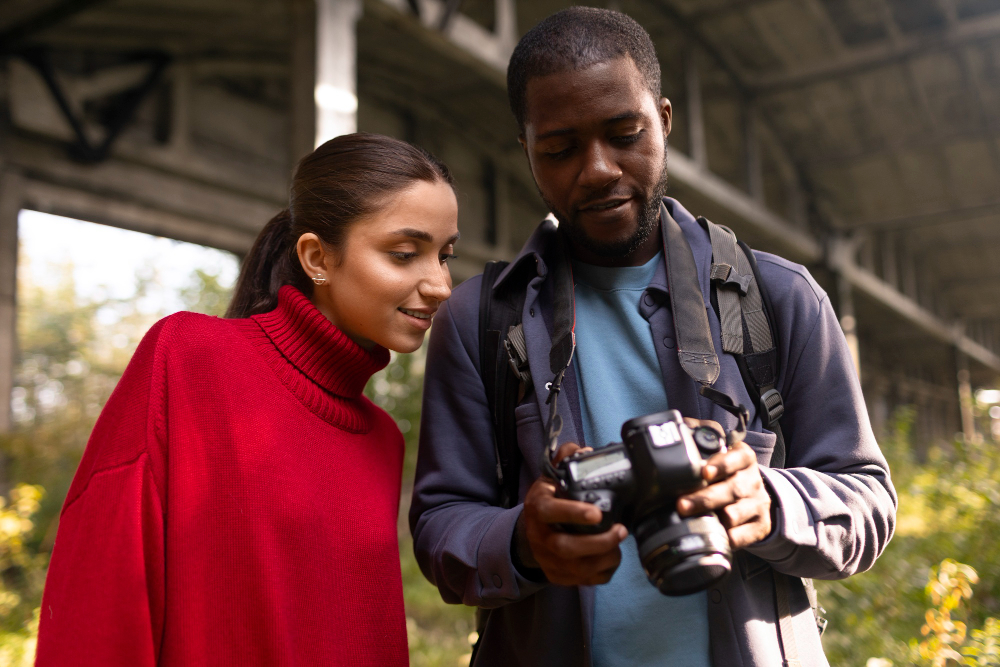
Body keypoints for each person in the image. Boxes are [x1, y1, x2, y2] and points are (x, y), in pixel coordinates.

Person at [409, 8, 896, 667]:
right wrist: (523, 539)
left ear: (664, 120)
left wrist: (769, 499)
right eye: (560, 148)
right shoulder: (478, 321)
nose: (599, 168)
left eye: (625, 133)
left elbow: (866, 498)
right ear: (526, 150)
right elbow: (440, 525)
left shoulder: (778, 297)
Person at [35, 132, 459, 666]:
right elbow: (98, 600)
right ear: (317, 257)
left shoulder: (382, 439)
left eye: (445, 256)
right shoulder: (190, 359)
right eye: (405, 254)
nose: (441, 284)